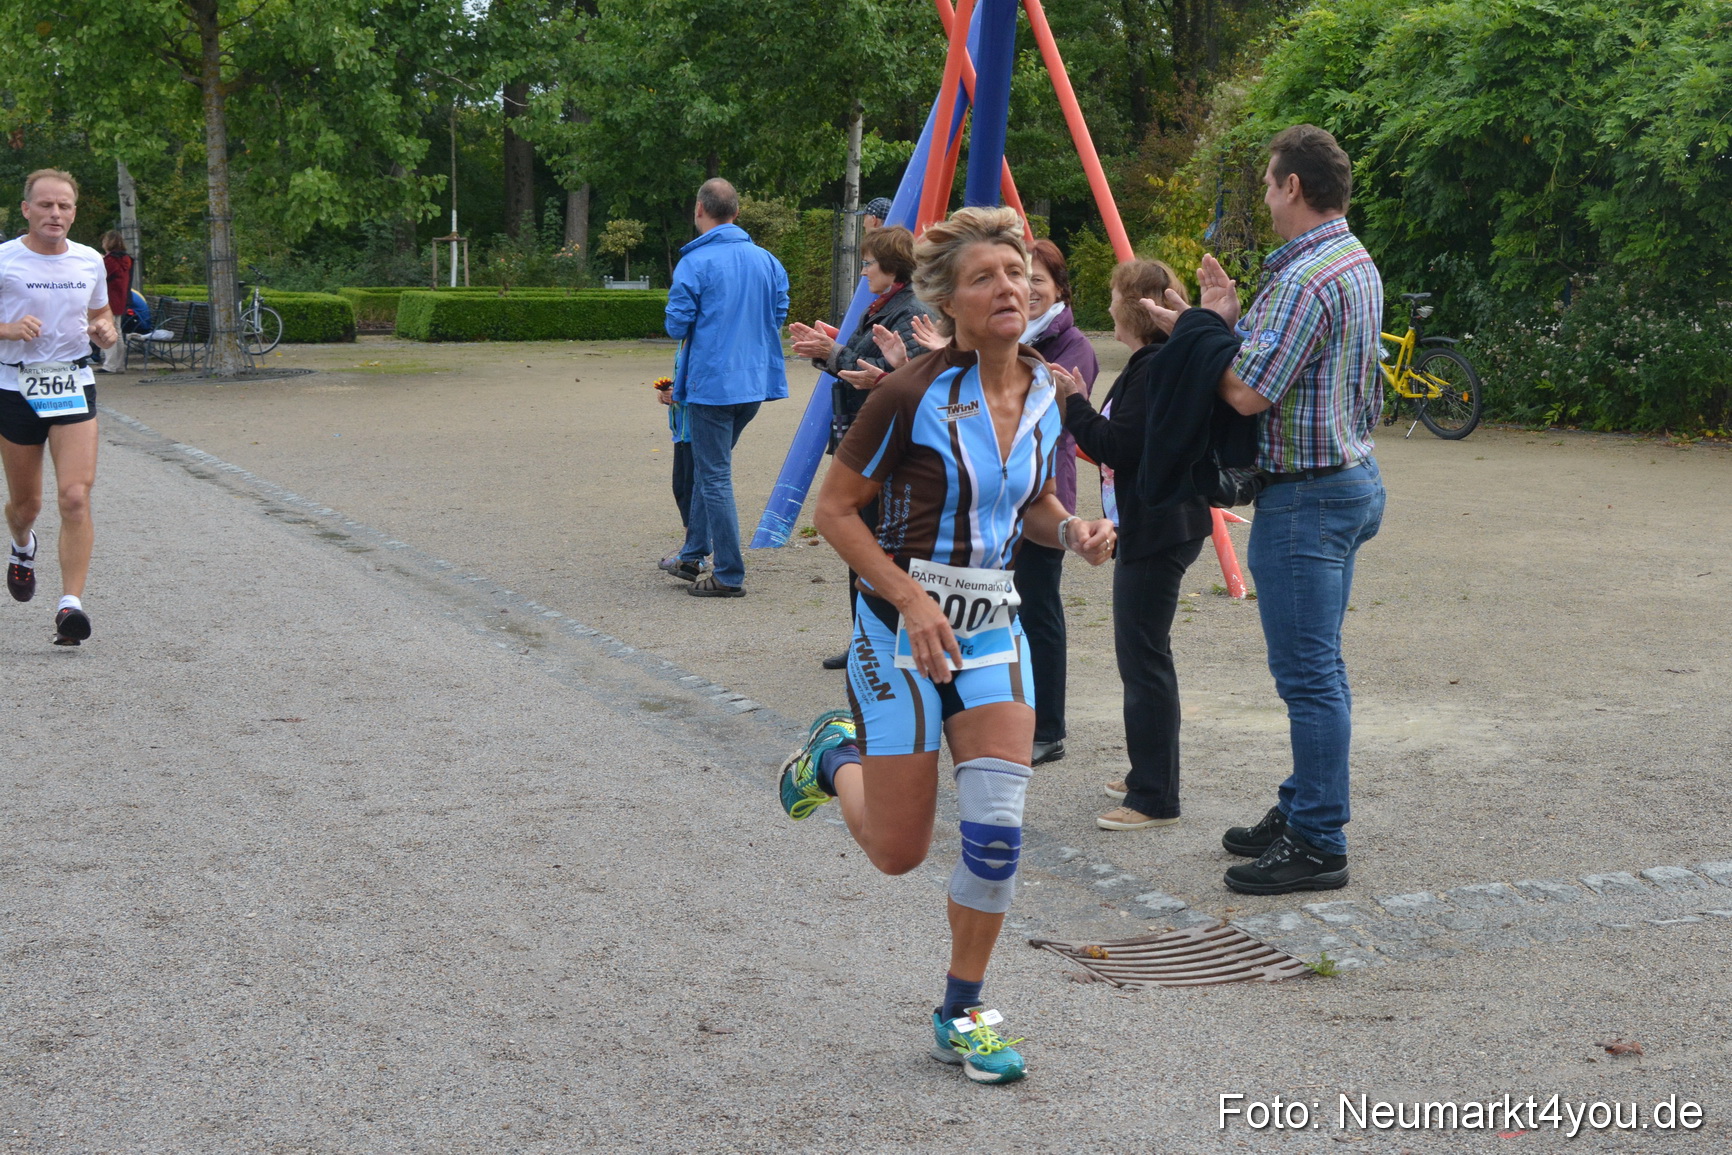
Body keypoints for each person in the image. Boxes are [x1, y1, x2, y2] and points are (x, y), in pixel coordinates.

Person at [776, 206, 1115, 1085]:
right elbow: (834, 511)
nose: (1009, 288)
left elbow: (1031, 502)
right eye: (985, 278)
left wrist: (1071, 529)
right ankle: (831, 756)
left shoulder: (1048, 388)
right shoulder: (909, 394)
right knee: (900, 851)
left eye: (1019, 275)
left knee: (997, 833)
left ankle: (961, 1009)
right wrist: (908, 598)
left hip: (993, 628)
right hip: (899, 633)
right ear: (950, 302)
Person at [1144, 124, 1386, 895]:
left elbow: (1248, 389)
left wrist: (1201, 331)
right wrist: (1211, 319)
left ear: (1291, 186)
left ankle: (1319, 839)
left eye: (1268, 181)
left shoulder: (1306, 277)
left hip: (1306, 498)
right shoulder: (1352, 260)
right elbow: (1282, 364)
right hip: (1349, 479)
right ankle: (1303, 804)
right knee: (1321, 670)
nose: (1264, 194)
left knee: (1310, 676)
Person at [1055, 260, 1213, 831]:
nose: (1110, 303)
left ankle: (1155, 796)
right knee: (1143, 656)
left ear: (1140, 307)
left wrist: (1072, 402)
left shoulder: (1154, 369)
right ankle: (1150, 770)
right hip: (1158, 524)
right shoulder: (1154, 363)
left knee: (1143, 660)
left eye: (1116, 293)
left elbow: (1118, 446)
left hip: (1161, 529)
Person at [787, 226, 930, 670]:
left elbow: (892, 377)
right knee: (861, 544)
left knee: (873, 543)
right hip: (864, 438)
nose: (864, 270)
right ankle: (864, 641)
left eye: (869, 263)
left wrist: (834, 352)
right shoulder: (887, 305)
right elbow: (868, 363)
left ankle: (876, 643)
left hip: (885, 447)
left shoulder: (910, 312)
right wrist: (833, 349)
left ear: (891, 267)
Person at [1, 169, 119, 645]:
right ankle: (21, 546)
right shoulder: (5, 259)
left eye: (64, 206)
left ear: (74, 212)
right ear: (26, 209)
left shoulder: (90, 260)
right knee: (26, 505)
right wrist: (7, 329)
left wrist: (105, 330)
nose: (55, 214)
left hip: (72, 381)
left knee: (74, 496)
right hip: (14, 387)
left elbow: (99, 314)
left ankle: (70, 607)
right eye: (45, 205)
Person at [660, 178, 790, 597]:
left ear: (700, 209)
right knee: (707, 469)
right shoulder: (768, 260)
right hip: (754, 384)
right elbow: (779, 314)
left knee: (713, 476)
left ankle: (729, 575)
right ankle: (692, 554)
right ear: (736, 212)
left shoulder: (695, 263)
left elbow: (676, 324)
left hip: (712, 386)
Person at [1014, 240, 1098, 765]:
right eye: (1020, 279)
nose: (1027, 290)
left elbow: (1046, 408)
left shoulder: (1074, 345)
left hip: (1045, 493)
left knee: (1038, 606)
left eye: (1038, 280)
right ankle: (1007, 714)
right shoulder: (1004, 334)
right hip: (996, 491)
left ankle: (1049, 727)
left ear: (1059, 289)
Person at [98, 231, 130, 374]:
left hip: (108, 299)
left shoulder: (110, 261)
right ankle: (119, 365)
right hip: (121, 299)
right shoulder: (126, 259)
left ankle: (109, 365)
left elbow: (101, 278)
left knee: (108, 331)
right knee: (118, 332)